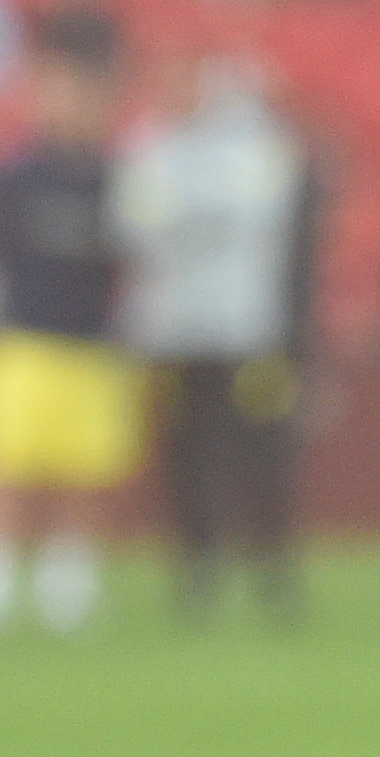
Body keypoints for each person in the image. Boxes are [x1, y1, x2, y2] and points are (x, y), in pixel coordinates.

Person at [0, 15, 142, 637]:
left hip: (92, 348)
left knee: (85, 472)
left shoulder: (123, 183)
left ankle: (67, 586)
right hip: (20, 342)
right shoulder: (11, 179)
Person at [113, 57, 322, 619]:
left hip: (246, 328)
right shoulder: (150, 147)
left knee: (262, 448)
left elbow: (267, 218)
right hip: (174, 331)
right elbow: (133, 228)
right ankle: (199, 565)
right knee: (186, 450)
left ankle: (271, 563)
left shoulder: (253, 145)